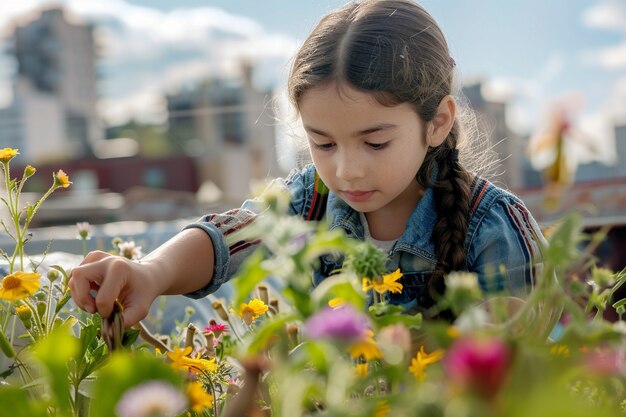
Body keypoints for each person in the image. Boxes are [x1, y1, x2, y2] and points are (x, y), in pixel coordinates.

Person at [69, 0, 545, 327]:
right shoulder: (310, 201)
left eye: (375, 143)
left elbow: (524, 358)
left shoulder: (494, 226)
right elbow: (225, 238)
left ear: (437, 122)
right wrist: (150, 274)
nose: (347, 171)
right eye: (324, 144)